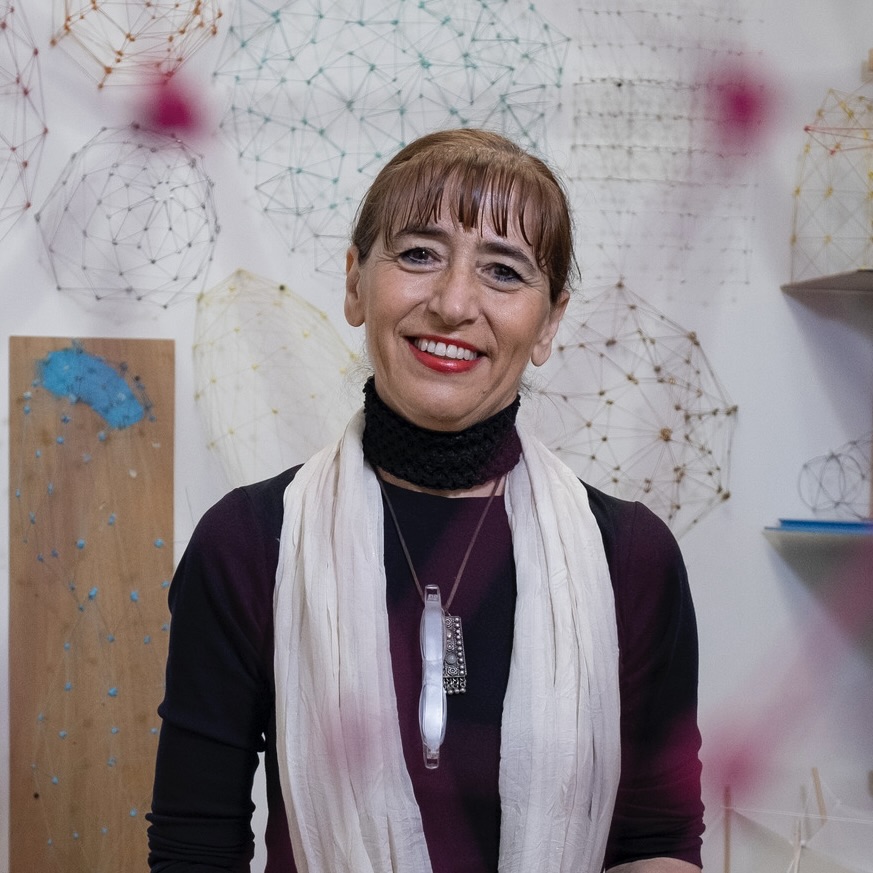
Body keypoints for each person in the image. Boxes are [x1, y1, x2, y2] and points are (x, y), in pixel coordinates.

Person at [147, 128, 704, 873]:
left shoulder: (629, 556)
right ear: (354, 283)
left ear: (549, 321)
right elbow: (196, 846)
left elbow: (656, 841)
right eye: (417, 254)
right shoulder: (250, 541)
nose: (453, 302)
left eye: (504, 272)